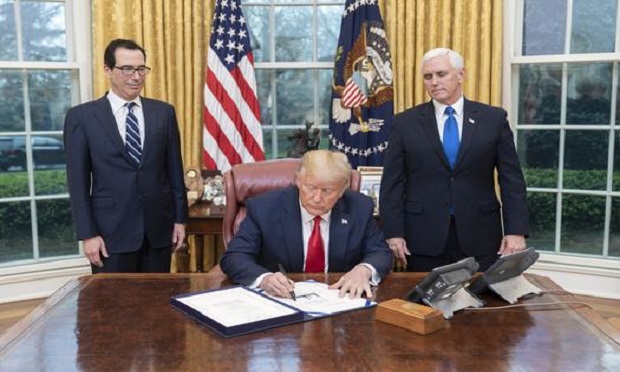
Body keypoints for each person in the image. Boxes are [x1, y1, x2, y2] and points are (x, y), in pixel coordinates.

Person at [379, 48, 529, 272]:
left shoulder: (493, 119)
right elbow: (391, 183)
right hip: (422, 236)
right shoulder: (405, 123)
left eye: (441, 74)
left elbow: (512, 180)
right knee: (424, 304)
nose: (434, 82)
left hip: (481, 234)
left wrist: (515, 231)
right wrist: (393, 233)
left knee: (480, 302)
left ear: (461, 75)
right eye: (428, 77)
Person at [64, 39, 188, 273]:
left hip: (158, 232)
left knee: (155, 304)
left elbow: (174, 171)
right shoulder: (81, 117)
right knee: (112, 307)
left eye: (141, 69)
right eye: (127, 69)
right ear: (107, 70)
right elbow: (78, 183)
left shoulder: (164, 113)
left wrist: (180, 220)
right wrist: (88, 234)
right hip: (110, 235)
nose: (136, 76)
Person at [220, 150, 393, 299]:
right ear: (298, 181)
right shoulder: (264, 208)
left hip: (338, 299)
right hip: (282, 301)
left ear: (341, 191)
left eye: (327, 191)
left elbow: (380, 253)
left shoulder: (359, 207)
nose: (317, 198)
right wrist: (264, 279)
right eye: (311, 187)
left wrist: (364, 270)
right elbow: (234, 257)